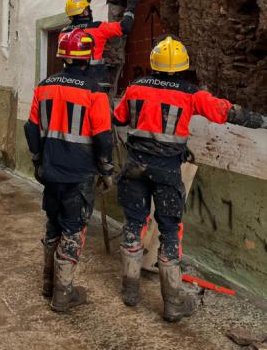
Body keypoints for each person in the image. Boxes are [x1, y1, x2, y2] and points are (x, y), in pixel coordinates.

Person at [113, 35, 267, 322]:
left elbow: (119, 118)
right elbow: (226, 112)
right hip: (167, 172)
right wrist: (261, 121)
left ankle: (130, 291)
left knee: (134, 224)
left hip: (135, 167)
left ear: (154, 64)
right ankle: (172, 303)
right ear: (183, 66)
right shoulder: (191, 94)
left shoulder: (135, 88)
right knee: (170, 231)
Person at [24, 28, 114, 313]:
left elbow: (31, 127)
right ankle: (63, 293)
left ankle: (48, 284)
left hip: (50, 171)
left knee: (53, 223)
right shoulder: (93, 91)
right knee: (74, 229)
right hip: (78, 174)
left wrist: (38, 160)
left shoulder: (44, 86)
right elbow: (102, 136)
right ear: (88, 57)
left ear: (62, 56)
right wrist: (106, 168)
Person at [62, 0, 138, 86]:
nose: (90, 11)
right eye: (88, 9)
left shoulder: (63, 33)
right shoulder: (97, 27)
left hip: (69, 78)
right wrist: (131, 7)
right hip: (95, 77)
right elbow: (125, 26)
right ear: (84, 12)